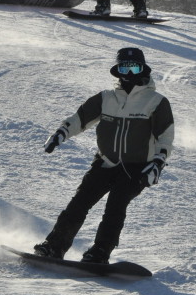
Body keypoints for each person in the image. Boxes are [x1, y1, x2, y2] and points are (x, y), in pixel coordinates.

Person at [34, 47, 174, 264]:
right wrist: (61, 133)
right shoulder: (105, 98)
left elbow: (165, 137)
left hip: (137, 168)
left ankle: (99, 252)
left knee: (115, 207)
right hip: (106, 163)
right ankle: (54, 246)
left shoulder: (155, 102)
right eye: (123, 68)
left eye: (133, 67)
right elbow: (79, 119)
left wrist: (157, 163)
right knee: (79, 203)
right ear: (117, 71)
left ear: (142, 69)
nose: (128, 74)